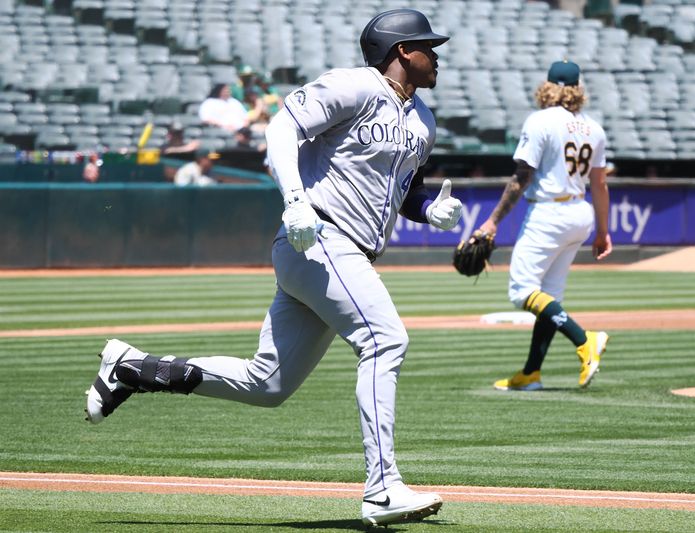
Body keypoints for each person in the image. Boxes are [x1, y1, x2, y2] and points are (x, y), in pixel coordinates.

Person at [85, 8, 460, 528]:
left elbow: (403, 188)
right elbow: (283, 127)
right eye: (427, 45)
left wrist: (425, 209)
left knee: (268, 384)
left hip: (340, 254)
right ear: (401, 50)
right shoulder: (353, 86)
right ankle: (381, 489)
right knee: (385, 339)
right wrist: (294, 200)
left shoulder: (423, 119)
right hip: (319, 236)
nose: (436, 54)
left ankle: (132, 368)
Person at [475, 60, 612, 393]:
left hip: (549, 213)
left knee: (522, 291)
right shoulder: (594, 128)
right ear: (578, 88)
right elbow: (599, 185)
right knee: (549, 297)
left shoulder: (540, 120)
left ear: (548, 85)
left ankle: (585, 340)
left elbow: (522, 177)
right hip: (579, 212)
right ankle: (531, 373)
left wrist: (492, 221)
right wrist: (603, 231)